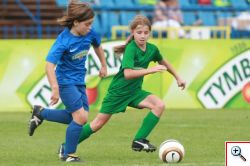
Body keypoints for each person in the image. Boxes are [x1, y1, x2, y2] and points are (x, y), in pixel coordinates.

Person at [58, 15, 186, 159]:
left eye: (146, 32)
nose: (142, 36)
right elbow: (128, 74)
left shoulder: (152, 49)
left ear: (150, 33)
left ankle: (139, 140)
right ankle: (65, 146)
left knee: (159, 105)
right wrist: (151, 70)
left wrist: (178, 77)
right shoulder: (131, 48)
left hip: (134, 91)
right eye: (139, 32)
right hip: (118, 92)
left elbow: (165, 62)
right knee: (97, 124)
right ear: (132, 32)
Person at [28, 0, 107, 162]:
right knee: (81, 118)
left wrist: (104, 65)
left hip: (79, 81)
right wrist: (55, 88)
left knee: (77, 118)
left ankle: (41, 113)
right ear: (76, 23)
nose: (90, 27)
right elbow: (49, 66)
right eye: (87, 24)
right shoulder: (63, 41)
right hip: (65, 83)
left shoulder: (89, 34)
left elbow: (98, 46)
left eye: (92, 23)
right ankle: (68, 154)